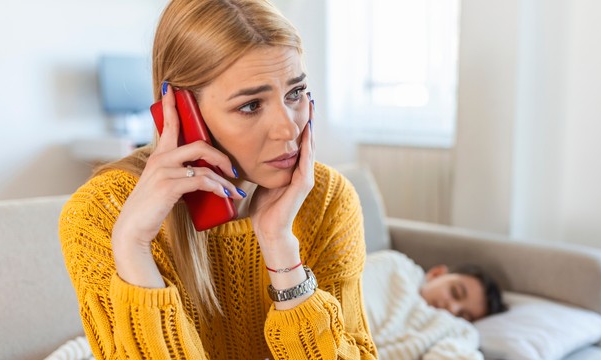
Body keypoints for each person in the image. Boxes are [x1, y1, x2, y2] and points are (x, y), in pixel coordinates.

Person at [58, 0, 377, 358]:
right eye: (251, 105)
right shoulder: (102, 214)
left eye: (295, 93)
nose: (289, 127)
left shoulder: (327, 198)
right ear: (181, 111)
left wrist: (280, 247)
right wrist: (133, 247)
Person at [361, 250, 506, 360]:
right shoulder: (396, 268)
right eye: (455, 292)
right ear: (437, 274)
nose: (452, 309)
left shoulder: (453, 330)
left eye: (463, 315)